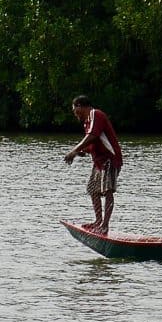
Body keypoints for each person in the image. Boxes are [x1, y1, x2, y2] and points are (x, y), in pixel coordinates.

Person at [62, 94, 123, 232]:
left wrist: (74, 150)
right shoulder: (87, 122)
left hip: (110, 159)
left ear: (80, 106)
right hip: (99, 162)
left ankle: (105, 225)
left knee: (107, 190)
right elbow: (93, 143)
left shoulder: (95, 114)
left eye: (75, 111)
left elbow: (92, 136)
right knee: (92, 190)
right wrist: (81, 151)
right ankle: (98, 221)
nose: (75, 115)